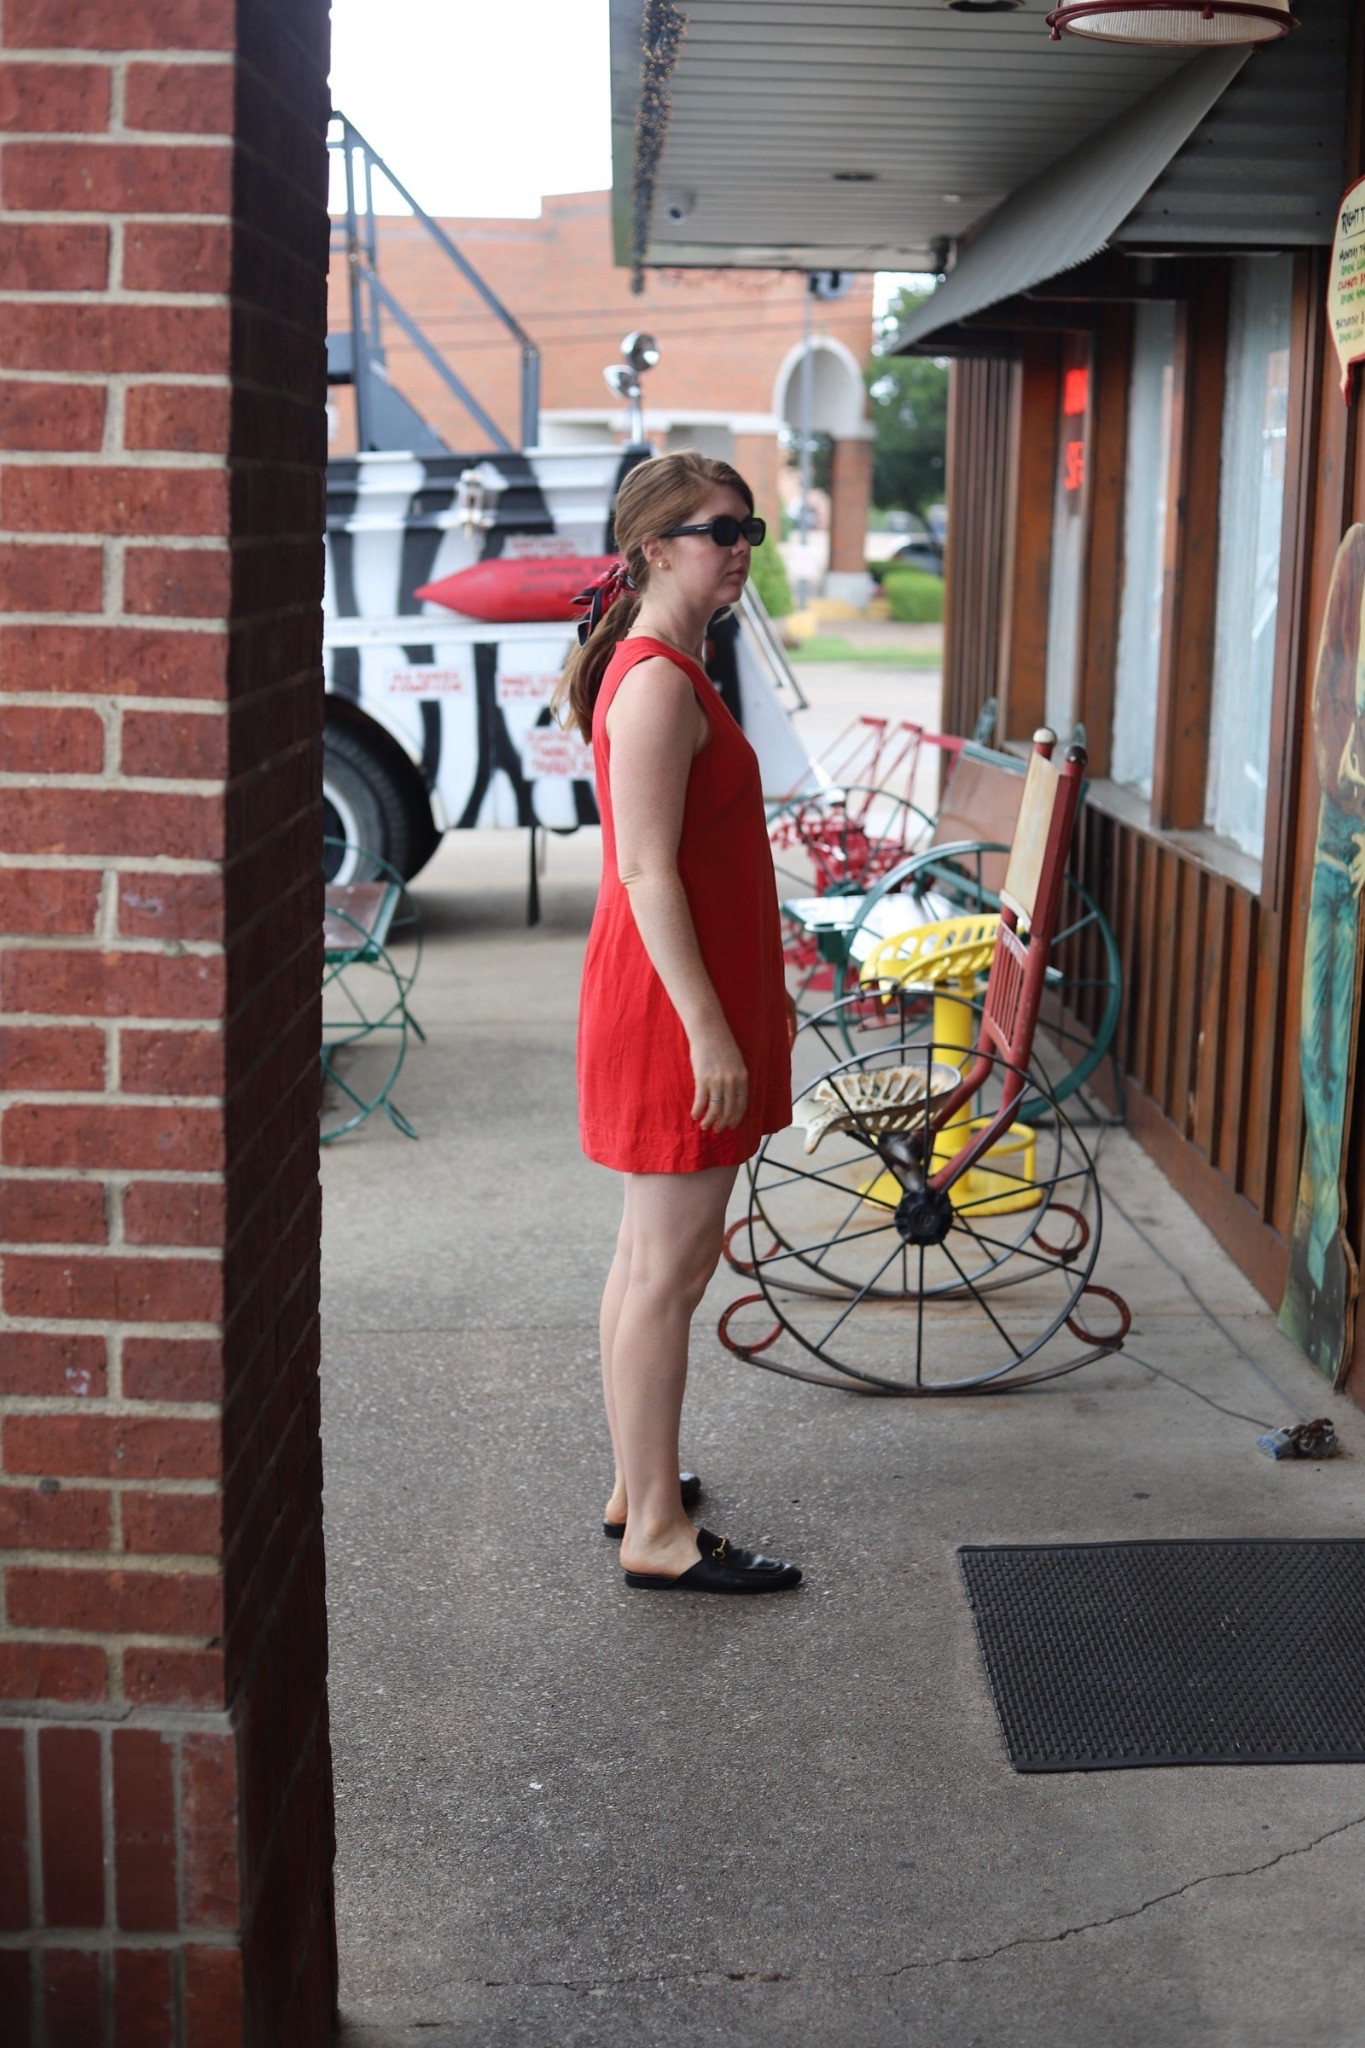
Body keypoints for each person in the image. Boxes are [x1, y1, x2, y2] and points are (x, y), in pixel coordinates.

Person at [556, 451, 802, 1595]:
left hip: (684, 992)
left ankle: (634, 1485)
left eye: (749, 525)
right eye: (719, 528)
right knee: (669, 1266)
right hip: (669, 1005)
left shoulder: (668, 664)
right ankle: (655, 1528)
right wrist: (712, 1030)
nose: (740, 544)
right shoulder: (654, 679)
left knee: (649, 1259)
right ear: (656, 546)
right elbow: (648, 872)